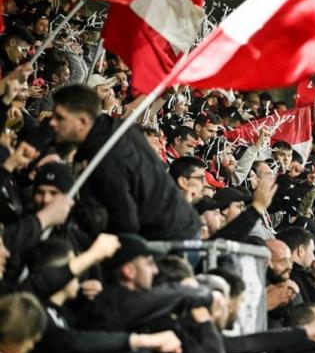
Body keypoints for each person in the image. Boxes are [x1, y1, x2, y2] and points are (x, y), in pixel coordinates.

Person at [49, 84, 201, 240]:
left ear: (82, 122)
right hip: (177, 226)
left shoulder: (107, 156)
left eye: (59, 118)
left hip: (170, 238)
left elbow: (124, 223)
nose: (52, 123)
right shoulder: (114, 130)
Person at [77, 234, 213, 353]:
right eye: (149, 263)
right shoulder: (114, 304)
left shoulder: (135, 309)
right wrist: (200, 293)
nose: (155, 270)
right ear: (129, 271)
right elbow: (174, 296)